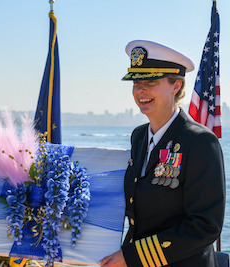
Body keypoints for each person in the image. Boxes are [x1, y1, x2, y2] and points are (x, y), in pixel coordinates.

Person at [100, 40, 225, 266]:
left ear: (176, 85)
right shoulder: (139, 137)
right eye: (136, 82)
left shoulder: (200, 141)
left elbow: (206, 226)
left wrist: (131, 257)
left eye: (151, 82)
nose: (140, 90)